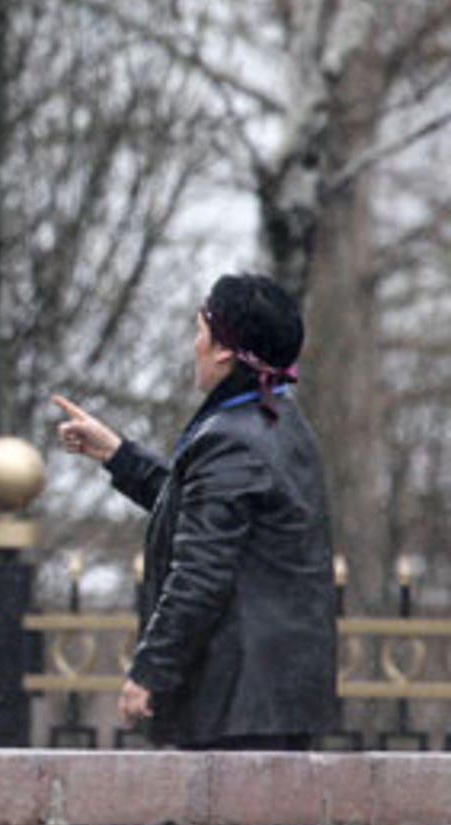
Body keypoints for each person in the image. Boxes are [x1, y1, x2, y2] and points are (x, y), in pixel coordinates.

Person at [52, 273, 337, 750]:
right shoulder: (279, 423)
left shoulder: (231, 438)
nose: (194, 345)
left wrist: (150, 671)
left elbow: (201, 572)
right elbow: (200, 511)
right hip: (273, 701)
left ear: (224, 350)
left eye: (200, 332)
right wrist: (119, 456)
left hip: (238, 709)